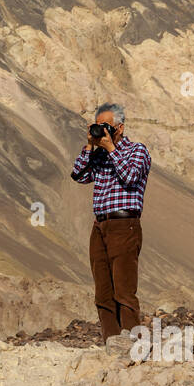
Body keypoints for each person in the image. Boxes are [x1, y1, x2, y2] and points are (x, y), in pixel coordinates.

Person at [69, 102, 152, 344]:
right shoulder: (99, 155)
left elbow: (130, 177)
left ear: (120, 128)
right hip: (100, 226)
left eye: (106, 126)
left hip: (123, 225)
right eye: (98, 126)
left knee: (124, 290)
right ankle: (112, 343)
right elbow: (78, 175)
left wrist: (111, 148)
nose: (102, 130)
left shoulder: (137, 150)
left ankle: (134, 343)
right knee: (103, 292)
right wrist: (90, 146)